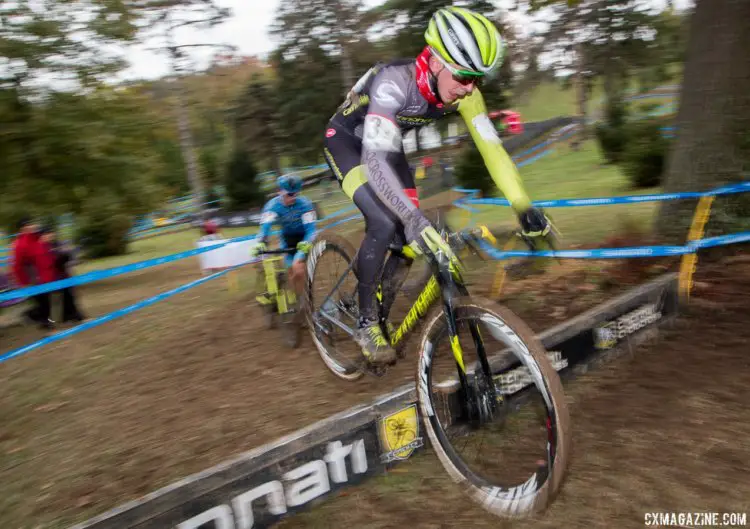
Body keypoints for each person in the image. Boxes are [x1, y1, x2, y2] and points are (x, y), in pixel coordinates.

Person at [322, 6, 552, 365]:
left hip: (387, 144)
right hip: (349, 143)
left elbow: (493, 152)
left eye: (477, 79)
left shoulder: (466, 92)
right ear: (435, 61)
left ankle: (376, 303)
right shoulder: (393, 82)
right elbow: (374, 161)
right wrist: (411, 216)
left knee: (409, 241)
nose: (468, 88)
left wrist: (523, 205)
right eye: (463, 76)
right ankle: (367, 321)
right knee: (385, 221)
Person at [251, 175, 317, 294]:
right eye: (289, 194)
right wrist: (260, 242)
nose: (293, 198)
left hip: (304, 237)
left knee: (299, 269)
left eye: (296, 194)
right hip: (287, 239)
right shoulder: (272, 206)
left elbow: (311, 229)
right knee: (291, 271)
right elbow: (265, 227)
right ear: (279, 192)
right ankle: (297, 298)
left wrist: (304, 247)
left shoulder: (305, 204)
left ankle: (305, 301)